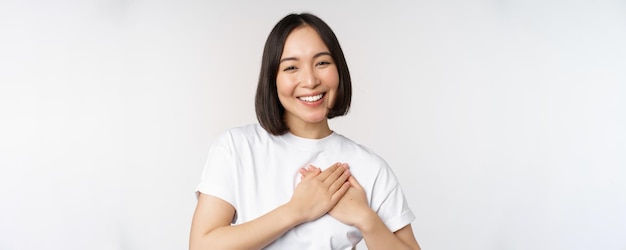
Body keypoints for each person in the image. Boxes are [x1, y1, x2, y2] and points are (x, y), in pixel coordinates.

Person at [189, 13, 421, 250]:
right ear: (273, 79)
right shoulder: (236, 148)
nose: (310, 80)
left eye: (322, 63)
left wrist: (365, 219)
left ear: (339, 70)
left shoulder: (369, 167)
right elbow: (201, 245)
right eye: (291, 67)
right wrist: (297, 210)